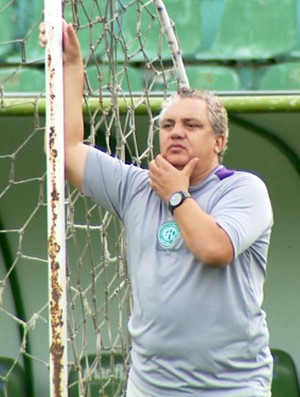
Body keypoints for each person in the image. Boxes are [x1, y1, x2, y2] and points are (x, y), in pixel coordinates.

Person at [40, 20, 274, 397]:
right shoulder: (136, 186)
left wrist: (178, 196)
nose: (176, 131)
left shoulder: (244, 189)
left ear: (219, 141)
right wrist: (70, 66)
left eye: (191, 124)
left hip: (233, 387)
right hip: (151, 386)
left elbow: (214, 250)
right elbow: (67, 152)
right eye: (167, 124)